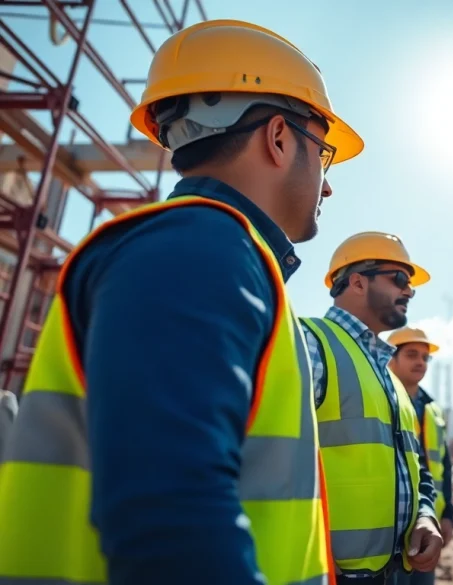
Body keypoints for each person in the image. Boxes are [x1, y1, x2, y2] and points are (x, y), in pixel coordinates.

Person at [0, 19, 363, 585]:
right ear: (278, 137)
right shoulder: (197, 251)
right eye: (325, 152)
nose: (328, 182)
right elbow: (171, 519)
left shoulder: (209, 251)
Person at [300, 232, 443, 585]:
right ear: (357, 282)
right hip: (332, 572)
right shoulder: (312, 344)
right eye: (398, 279)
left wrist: (426, 515)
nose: (408, 291)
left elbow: (413, 465)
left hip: (394, 569)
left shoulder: (389, 377)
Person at [386, 326, 453, 585]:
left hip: (429, 524)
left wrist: (448, 514)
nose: (420, 362)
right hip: (394, 526)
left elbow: (444, 465)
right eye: (412, 355)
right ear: (391, 359)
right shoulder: (382, 400)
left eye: (425, 357)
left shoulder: (432, 408)